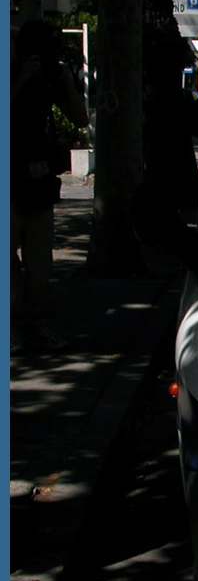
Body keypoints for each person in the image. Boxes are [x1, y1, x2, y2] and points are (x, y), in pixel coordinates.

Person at [10, 19, 89, 354]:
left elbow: (81, 119)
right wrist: (20, 79)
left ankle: (37, 324)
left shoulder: (53, 75)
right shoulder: (13, 70)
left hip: (38, 180)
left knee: (40, 262)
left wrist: (68, 84)